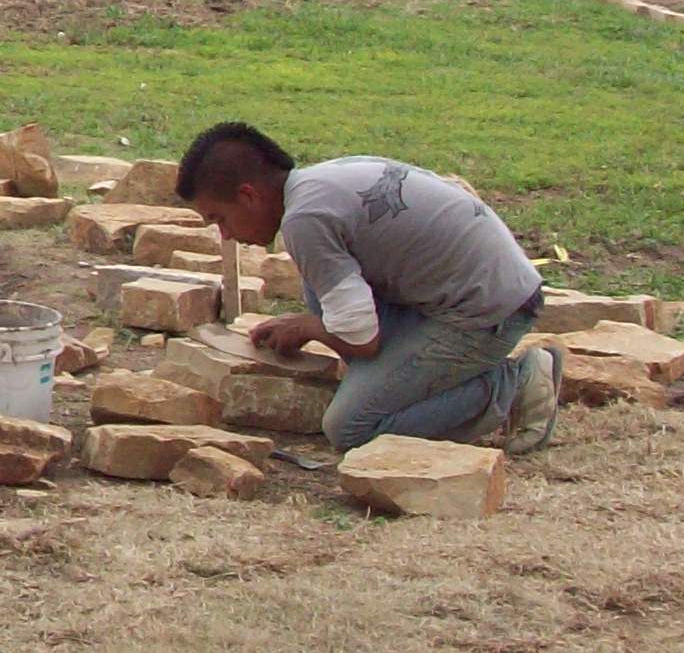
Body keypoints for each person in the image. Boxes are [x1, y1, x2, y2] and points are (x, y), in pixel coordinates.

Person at [174, 120, 560, 455]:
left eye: (220, 218)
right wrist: (322, 324)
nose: (225, 233)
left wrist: (309, 327)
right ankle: (402, 380)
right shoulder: (315, 184)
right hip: (478, 290)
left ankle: (514, 384)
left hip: (489, 311)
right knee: (321, 289)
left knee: (351, 428)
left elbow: (362, 342)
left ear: (248, 195)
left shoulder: (303, 221)